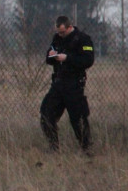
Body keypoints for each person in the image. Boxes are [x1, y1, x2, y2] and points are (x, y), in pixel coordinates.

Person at [40, 15, 95, 154]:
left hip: (74, 85)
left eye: (63, 32)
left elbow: (88, 60)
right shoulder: (57, 38)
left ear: (70, 27)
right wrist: (52, 56)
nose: (60, 35)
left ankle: (86, 148)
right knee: (46, 114)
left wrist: (68, 58)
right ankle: (54, 147)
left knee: (78, 119)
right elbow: (48, 58)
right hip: (58, 84)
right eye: (58, 32)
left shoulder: (83, 39)